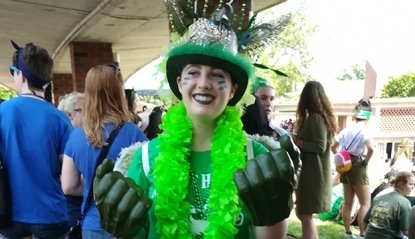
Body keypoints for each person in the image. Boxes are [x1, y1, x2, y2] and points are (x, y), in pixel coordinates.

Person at [92, 8, 299, 239]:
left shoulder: (257, 158)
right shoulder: (145, 159)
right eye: (194, 73)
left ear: (232, 90)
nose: (204, 84)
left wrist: (272, 213)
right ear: (180, 83)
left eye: (217, 76)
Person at [61, 64, 147, 238]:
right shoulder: (133, 133)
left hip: (91, 225)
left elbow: (69, 186)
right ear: (117, 91)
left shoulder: (76, 136)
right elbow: (146, 179)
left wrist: (95, 188)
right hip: (127, 225)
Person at [0, 41, 73, 238]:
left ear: (20, 75)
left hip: (8, 212)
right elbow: (67, 169)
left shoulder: (2, 112)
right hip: (50, 214)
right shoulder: (61, 118)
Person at [241, 77, 301, 239]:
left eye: (272, 99)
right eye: (263, 98)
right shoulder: (237, 136)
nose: (268, 103)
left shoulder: (280, 134)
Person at [293, 80, 338, 239]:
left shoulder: (316, 118)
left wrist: (298, 141)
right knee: (303, 214)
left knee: (305, 215)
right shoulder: (319, 117)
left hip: (313, 175)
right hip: (312, 174)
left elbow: (320, 146)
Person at [331, 98, 374, 238]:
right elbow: (371, 149)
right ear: (368, 115)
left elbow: (333, 146)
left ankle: (348, 233)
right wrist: (365, 162)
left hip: (345, 164)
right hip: (356, 164)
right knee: (365, 202)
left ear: (356, 114)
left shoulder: (345, 130)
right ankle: (362, 234)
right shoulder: (365, 131)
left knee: (348, 202)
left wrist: (340, 157)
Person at [57, 91, 85, 230]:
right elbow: (68, 187)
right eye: (83, 110)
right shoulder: (69, 140)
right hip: (71, 211)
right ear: (69, 114)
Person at [364, 171, 415, 239]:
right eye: (411, 184)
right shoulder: (404, 202)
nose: (413, 187)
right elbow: (405, 231)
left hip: (369, 235)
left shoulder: (378, 198)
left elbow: (365, 222)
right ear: (401, 184)